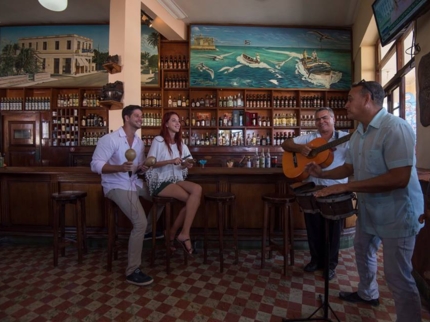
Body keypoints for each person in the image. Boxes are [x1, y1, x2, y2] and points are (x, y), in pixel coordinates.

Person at [305, 80, 424, 322]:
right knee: (362, 250)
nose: (346, 104)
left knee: (397, 276)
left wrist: (347, 185)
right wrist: (323, 174)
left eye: (350, 99)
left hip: (398, 213)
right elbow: (350, 167)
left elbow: (399, 178)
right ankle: (368, 293)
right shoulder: (358, 133)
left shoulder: (395, 128)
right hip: (370, 209)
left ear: (367, 99)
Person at [90, 104, 162, 286]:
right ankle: (132, 271)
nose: (140, 118)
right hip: (116, 185)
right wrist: (119, 168)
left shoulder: (139, 143)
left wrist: (142, 166)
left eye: (142, 115)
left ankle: (146, 232)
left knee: (162, 197)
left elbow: (136, 167)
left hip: (134, 182)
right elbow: (95, 165)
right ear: (127, 118)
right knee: (139, 221)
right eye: (137, 115)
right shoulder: (110, 139)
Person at [282, 107, 349, 281]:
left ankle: (330, 265)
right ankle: (316, 260)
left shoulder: (344, 138)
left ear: (333, 119)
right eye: (318, 119)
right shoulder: (310, 138)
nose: (321, 122)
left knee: (334, 230)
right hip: (312, 188)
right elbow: (285, 144)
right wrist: (301, 148)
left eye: (325, 118)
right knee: (313, 226)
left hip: (335, 189)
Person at [145, 111, 202, 256]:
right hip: (160, 181)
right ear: (166, 124)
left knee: (197, 189)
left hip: (176, 179)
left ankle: (177, 233)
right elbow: (150, 163)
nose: (178, 123)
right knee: (191, 200)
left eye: (179, 121)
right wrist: (170, 161)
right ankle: (177, 234)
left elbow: (187, 160)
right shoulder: (158, 140)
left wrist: (186, 164)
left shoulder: (180, 143)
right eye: (174, 121)